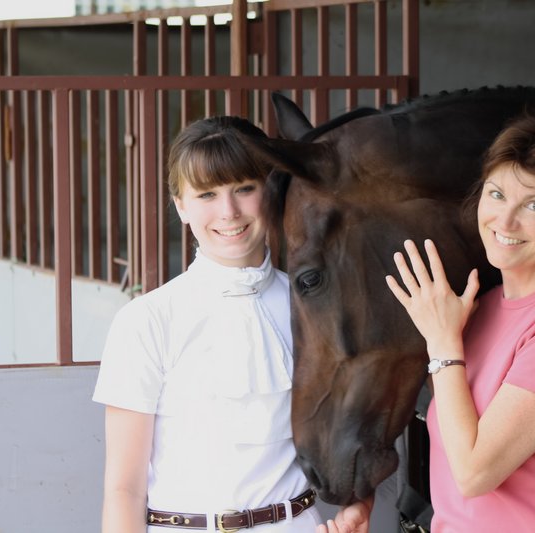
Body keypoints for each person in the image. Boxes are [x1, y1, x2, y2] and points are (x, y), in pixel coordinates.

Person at [93, 116, 369, 533]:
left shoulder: (313, 304)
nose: (229, 212)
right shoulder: (147, 320)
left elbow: (361, 428)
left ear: (271, 190)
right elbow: (123, 490)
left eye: (244, 188)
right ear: (181, 205)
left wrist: (358, 506)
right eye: (207, 194)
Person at [385, 107, 535, 532]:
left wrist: (442, 344)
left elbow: (474, 474)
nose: (505, 221)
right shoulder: (483, 307)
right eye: (496, 194)